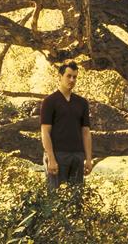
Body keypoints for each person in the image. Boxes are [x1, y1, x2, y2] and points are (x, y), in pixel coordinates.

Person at [38, 60, 94, 205]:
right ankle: (54, 228)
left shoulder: (82, 103)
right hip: (58, 156)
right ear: (60, 76)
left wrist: (88, 159)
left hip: (77, 156)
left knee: (75, 202)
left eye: (75, 77)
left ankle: (76, 227)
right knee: (55, 201)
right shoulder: (49, 101)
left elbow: (86, 132)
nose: (72, 80)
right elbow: (45, 132)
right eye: (68, 76)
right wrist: (51, 158)